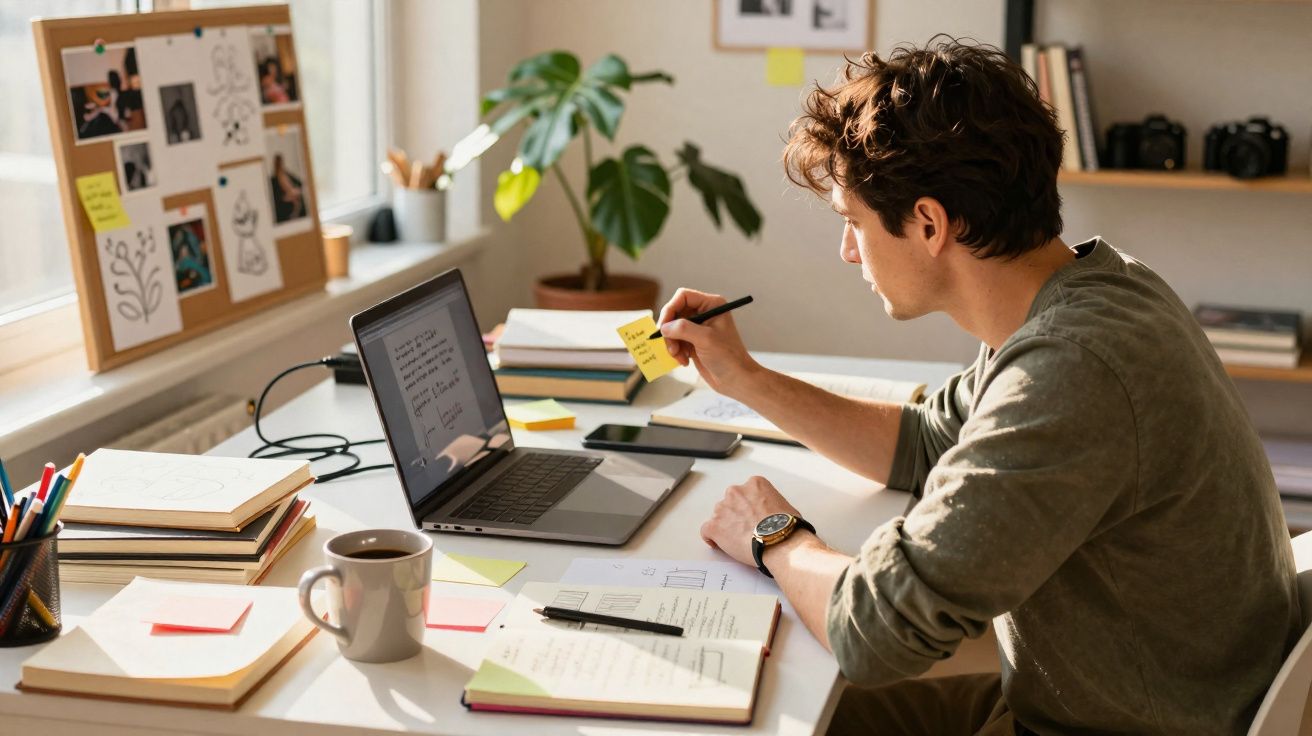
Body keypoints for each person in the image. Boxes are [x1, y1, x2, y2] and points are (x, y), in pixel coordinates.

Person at [656, 38, 1298, 735]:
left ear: (929, 224)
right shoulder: (1096, 290)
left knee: (748, 714)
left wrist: (776, 537)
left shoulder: (1074, 368)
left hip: (1095, 726)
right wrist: (745, 378)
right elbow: (927, 443)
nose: (847, 250)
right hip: (1098, 703)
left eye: (853, 222)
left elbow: (878, 632)